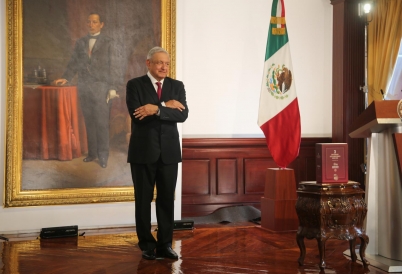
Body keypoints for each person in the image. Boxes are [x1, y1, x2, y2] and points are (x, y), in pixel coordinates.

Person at [126, 47, 189, 260]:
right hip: (143, 152)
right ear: (148, 63)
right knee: (143, 200)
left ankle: (164, 245)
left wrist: (156, 109)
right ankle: (146, 245)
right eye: (159, 63)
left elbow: (182, 115)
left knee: (166, 201)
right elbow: (138, 116)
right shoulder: (135, 85)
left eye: (167, 63)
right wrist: (165, 106)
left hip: (169, 154)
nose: (164, 67)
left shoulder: (176, 86)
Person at [55, 13, 120, 168]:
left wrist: (112, 87)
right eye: (89, 22)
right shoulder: (80, 42)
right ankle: (92, 154)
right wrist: (66, 77)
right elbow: (73, 63)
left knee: (102, 123)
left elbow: (114, 67)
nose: (91, 24)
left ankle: (103, 156)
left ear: (101, 24)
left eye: (95, 22)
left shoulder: (109, 42)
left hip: (102, 87)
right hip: (84, 87)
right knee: (89, 122)